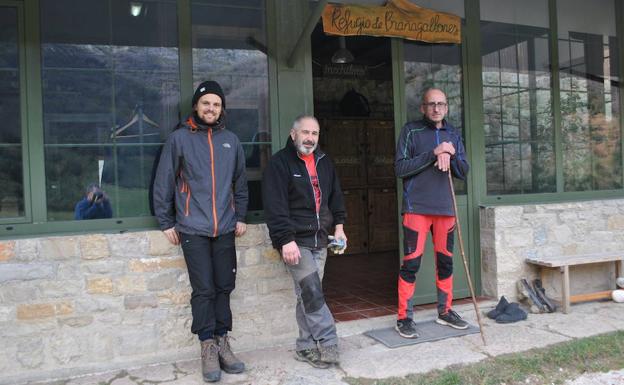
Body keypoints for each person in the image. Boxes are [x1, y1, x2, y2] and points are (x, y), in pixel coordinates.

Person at [152, 80, 248, 383]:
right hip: (193, 227)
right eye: (206, 103)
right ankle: (207, 344)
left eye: (216, 104)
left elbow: (241, 183)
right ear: (196, 106)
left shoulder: (231, 140)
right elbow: (163, 182)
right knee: (204, 289)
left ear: (221, 109)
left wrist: (241, 216)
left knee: (224, 286)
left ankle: (223, 341)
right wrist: (166, 221)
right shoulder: (179, 139)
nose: (211, 109)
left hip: (225, 228)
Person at [262, 115, 347, 369]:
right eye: (305, 132)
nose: (310, 138)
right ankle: (329, 341)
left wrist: (340, 227)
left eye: (315, 133)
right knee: (311, 290)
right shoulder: (279, 164)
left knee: (307, 295)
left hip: (320, 239)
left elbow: (336, 196)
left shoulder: (323, 162)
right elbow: (275, 207)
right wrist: (285, 240)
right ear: (293, 134)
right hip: (295, 241)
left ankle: (305, 346)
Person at [394, 88, 470, 339]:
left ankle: (445, 311)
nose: (436, 109)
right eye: (431, 104)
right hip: (416, 207)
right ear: (423, 108)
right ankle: (404, 317)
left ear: (446, 108)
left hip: (445, 209)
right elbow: (400, 168)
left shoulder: (453, 134)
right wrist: (433, 153)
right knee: (412, 263)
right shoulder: (411, 131)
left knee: (446, 262)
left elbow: (462, 170)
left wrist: (450, 152)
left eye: (441, 104)